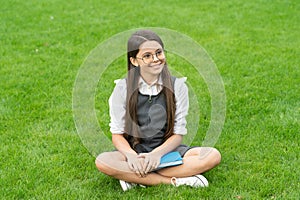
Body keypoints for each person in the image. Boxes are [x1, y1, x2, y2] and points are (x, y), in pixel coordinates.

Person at [95, 29, 221, 191]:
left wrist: (156, 155)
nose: (155, 59)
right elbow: (117, 134)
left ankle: (135, 177)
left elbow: (177, 134)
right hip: (134, 151)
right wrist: (132, 156)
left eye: (159, 53)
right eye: (147, 56)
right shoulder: (122, 89)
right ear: (134, 61)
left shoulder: (178, 86)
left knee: (212, 156)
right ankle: (175, 181)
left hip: (168, 150)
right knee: (103, 161)